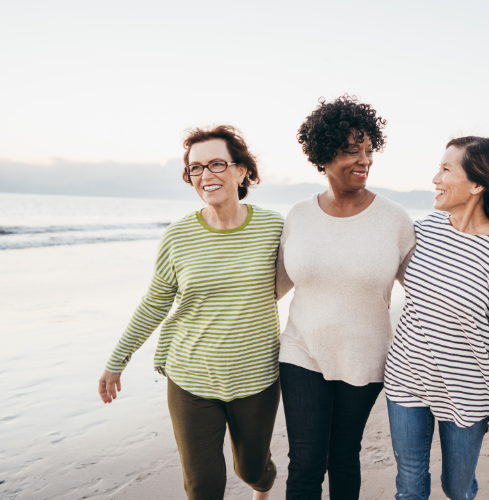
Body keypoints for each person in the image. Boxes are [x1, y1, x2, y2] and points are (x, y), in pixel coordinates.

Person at [98, 126, 283, 500]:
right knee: (203, 486)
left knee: (252, 469)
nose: (205, 175)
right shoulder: (178, 236)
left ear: (243, 171)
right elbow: (154, 303)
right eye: (195, 168)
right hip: (190, 377)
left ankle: (261, 487)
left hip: (256, 375)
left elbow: (309, 276)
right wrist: (117, 360)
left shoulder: (275, 227)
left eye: (216, 163)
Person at [383, 136, 489, 500]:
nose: (435, 178)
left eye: (446, 169)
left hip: (468, 390)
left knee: (457, 487)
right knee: (410, 486)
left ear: (477, 184)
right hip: (407, 377)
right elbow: (381, 271)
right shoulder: (424, 231)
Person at [276, 95, 416, 499]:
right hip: (301, 350)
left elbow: (424, 292)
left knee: (342, 455)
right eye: (352, 151)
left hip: (365, 354)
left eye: (369, 150)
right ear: (323, 155)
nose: (364, 160)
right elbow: (273, 286)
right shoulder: (299, 216)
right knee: (304, 461)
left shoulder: (394, 219)